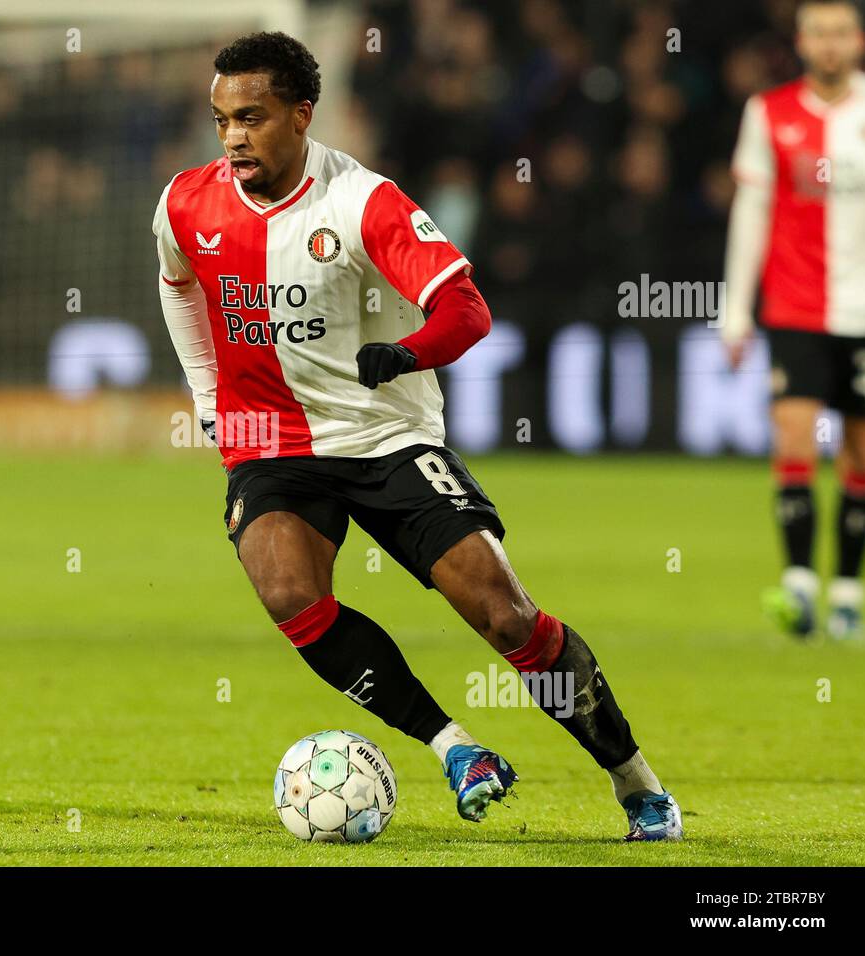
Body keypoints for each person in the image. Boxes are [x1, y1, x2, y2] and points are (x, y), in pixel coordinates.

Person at [153, 31, 681, 840]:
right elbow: (179, 284)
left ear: (302, 115)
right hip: (273, 444)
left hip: (387, 435)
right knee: (291, 594)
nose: (232, 137)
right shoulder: (187, 202)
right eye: (222, 119)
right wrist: (208, 397)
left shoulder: (365, 201)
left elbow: (467, 309)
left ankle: (633, 779)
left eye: (251, 118)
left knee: (505, 617)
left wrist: (405, 353)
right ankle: (455, 747)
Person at [722, 0, 865, 640]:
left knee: (862, 455)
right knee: (793, 436)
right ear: (803, 41)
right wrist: (736, 309)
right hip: (795, 306)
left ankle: (845, 592)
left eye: (842, 31)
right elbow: (751, 213)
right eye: (820, 32)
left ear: (860, 40)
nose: (831, 44)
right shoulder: (769, 112)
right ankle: (799, 587)